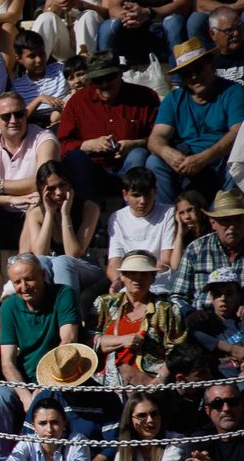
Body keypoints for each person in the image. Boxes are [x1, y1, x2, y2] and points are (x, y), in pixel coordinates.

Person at [0, 254, 81, 457]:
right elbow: (7, 361)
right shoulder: (9, 307)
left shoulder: (63, 294)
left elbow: (67, 342)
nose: (24, 286)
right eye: (17, 282)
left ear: (42, 275)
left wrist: (43, 385)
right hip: (25, 383)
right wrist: (26, 396)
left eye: (29, 279)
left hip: (59, 377)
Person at [0, 92, 62, 255]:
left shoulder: (44, 139)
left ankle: (27, 268)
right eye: (6, 117)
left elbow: (45, 182)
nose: (14, 120)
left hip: (33, 213)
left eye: (19, 114)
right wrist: (12, 198)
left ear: (26, 114)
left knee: (40, 200)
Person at [148, 37, 244, 206]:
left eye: (199, 68)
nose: (194, 76)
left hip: (221, 160)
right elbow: (156, 138)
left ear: (212, 65)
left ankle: (223, 217)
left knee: (239, 160)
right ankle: (170, 218)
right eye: (186, 73)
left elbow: (238, 132)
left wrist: (203, 158)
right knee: (154, 162)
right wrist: (167, 153)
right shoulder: (174, 98)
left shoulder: (233, 91)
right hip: (186, 162)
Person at [57, 51, 160, 203]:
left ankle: (134, 213)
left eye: (109, 78)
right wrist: (88, 145)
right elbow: (62, 145)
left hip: (132, 168)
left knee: (137, 153)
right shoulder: (77, 102)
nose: (104, 84)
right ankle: (90, 218)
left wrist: (134, 144)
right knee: (75, 157)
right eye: (98, 80)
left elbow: (159, 137)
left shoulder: (145, 97)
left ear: (120, 74)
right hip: (94, 171)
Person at [20, 161, 105, 299]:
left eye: (62, 185)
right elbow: (40, 253)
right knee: (41, 262)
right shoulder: (36, 213)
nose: (59, 193)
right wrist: (49, 213)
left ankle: (69, 316)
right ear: (43, 190)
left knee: (63, 262)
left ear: (70, 184)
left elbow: (73, 253)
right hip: (54, 267)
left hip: (86, 268)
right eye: (52, 188)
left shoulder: (89, 208)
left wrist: (66, 214)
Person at [0, 394, 92, 461]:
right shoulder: (27, 442)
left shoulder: (77, 441)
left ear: (64, 423)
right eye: (42, 423)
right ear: (33, 426)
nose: (49, 429)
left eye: (55, 422)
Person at [173, 188, 244, 313]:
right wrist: (190, 314)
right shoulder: (196, 249)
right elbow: (178, 296)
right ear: (213, 223)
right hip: (204, 320)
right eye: (226, 221)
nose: (232, 226)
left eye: (238, 219)